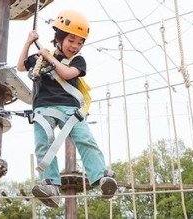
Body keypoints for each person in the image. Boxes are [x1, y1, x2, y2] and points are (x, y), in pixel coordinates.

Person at [17, 9, 117, 208]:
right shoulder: (41, 59)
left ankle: (101, 177)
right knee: (43, 144)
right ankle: (50, 184)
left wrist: (49, 57)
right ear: (59, 38)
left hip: (71, 108)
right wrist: (29, 42)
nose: (75, 46)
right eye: (71, 40)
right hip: (43, 109)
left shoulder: (77, 61)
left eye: (80, 42)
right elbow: (20, 66)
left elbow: (68, 74)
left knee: (85, 139)